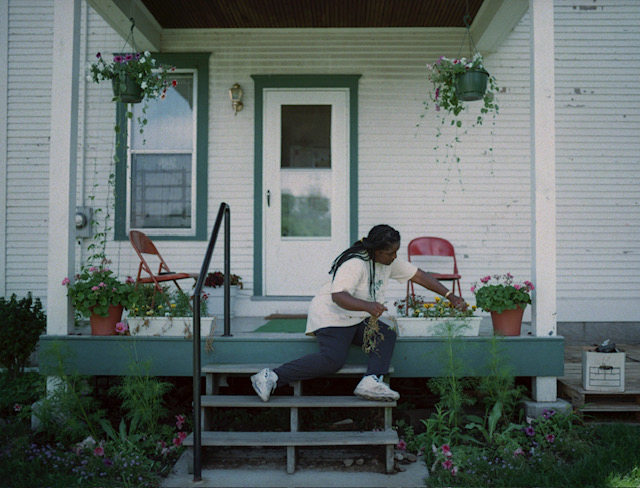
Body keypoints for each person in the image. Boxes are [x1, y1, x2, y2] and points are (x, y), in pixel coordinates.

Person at [251, 224, 467, 402]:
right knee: (332, 360)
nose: (395, 257)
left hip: (355, 318)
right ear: (376, 250)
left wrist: (450, 295)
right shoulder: (355, 264)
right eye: (390, 252)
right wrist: (368, 307)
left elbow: (419, 276)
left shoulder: (388, 261)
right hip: (332, 316)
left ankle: (371, 382)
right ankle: (271, 376)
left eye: (396, 252)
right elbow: (339, 296)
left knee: (386, 333)